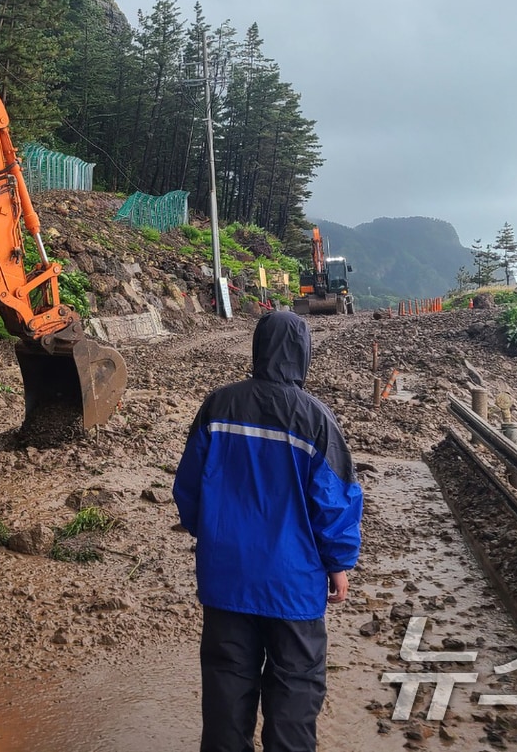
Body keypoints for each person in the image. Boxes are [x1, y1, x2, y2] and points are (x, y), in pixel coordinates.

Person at [174, 310, 363, 752]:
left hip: (226, 576)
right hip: (293, 585)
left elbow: (188, 487)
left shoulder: (218, 406)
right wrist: (338, 564)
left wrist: (211, 535)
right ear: (303, 353)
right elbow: (334, 501)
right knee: (295, 686)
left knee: (227, 683)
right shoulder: (316, 419)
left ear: (258, 347)